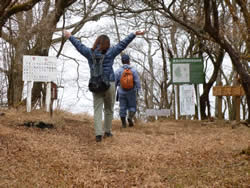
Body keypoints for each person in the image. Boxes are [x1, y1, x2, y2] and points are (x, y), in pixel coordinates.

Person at [64, 30, 144, 142]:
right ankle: (107, 131)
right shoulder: (110, 52)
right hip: (109, 83)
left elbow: (79, 46)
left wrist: (70, 36)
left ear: (96, 42)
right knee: (108, 109)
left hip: (95, 84)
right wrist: (134, 34)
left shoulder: (89, 52)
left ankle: (98, 134)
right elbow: (122, 44)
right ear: (107, 43)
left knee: (97, 109)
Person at [115, 54, 141, 128]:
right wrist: (138, 90)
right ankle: (130, 118)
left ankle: (123, 124)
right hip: (131, 92)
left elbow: (115, 82)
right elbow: (137, 82)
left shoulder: (118, 71)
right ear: (129, 61)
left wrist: (114, 91)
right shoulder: (133, 70)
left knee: (122, 107)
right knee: (132, 106)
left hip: (121, 92)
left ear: (122, 61)